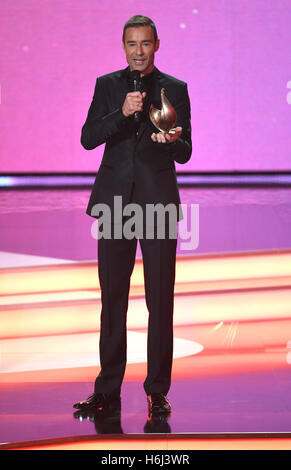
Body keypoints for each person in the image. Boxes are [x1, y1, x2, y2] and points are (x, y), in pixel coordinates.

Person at [73, 15, 192, 417]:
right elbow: (89, 137)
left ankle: (157, 390)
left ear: (156, 44)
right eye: (131, 44)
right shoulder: (108, 86)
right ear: (123, 46)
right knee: (114, 299)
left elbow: (186, 149)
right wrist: (122, 112)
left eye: (145, 44)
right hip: (115, 205)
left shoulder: (174, 88)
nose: (138, 52)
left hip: (157, 204)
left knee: (160, 301)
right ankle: (107, 388)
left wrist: (172, 139)